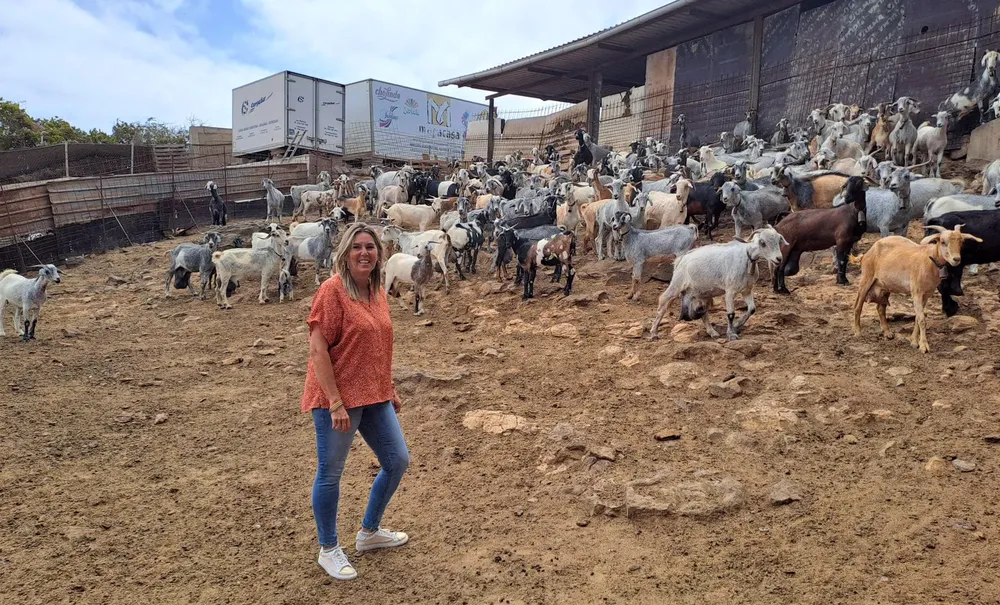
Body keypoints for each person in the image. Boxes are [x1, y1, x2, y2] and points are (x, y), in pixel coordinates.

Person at [300, 222, 409, 581]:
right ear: (346, 254)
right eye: (357, 247)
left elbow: (380, 345)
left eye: (371, 247)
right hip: (338, 399)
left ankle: (369, 532)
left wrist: (388, 386)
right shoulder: (332, 292)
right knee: (331, 473)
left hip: (374, 394)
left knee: (397, 460)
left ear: (379, 254)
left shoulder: (377, 292)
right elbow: (318, 350)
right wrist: (334, 401)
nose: (365, 253)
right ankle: (328, 549)